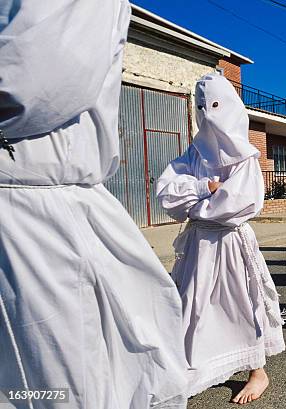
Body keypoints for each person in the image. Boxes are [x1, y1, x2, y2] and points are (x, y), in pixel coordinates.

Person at [0, 1, 189, 408]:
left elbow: (35, 78)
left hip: (31, 206)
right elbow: (171, 192)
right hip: (27, 202)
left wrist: (204, 201)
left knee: (54, 380)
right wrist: (197, 198)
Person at [156, 74, 285, 403]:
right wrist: (203, 189)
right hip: (199, 244)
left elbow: (239, 204)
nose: (208, 113)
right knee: (195, 303)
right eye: (201, 107)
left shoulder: (245, 156)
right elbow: (167, 193)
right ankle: (199, 362)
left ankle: (258, 370)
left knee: (241, 302)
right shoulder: (194, 154)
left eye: (215, 105)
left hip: (231, 245)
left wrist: (195, 207)